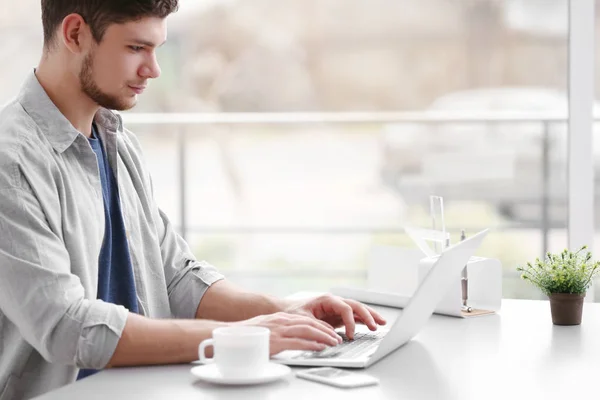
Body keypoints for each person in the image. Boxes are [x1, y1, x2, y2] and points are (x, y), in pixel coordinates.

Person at [0, 1, 386, 398]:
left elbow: (178, 277)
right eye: (136, 48)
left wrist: (284, 311)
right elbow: (67, 326)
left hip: (150, 387)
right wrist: (244, 336)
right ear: (75, 33)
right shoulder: (10, 163)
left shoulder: (119, 143)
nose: (153, 69)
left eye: (156, 49)